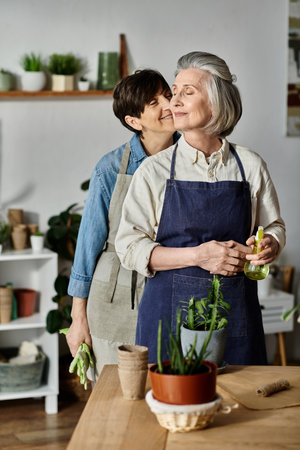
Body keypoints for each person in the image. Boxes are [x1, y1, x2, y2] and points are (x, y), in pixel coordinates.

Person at [115, 51, 286, 365]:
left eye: (187, 92)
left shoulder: (250, 165)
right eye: (174, 92)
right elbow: (128, 248)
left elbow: (273, 225)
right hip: (166, 320)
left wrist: (270, 244)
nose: (173, 101)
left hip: (235, 314)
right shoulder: (154, 171)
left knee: (243, 409)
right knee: (172, 409)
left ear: (217, 101)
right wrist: (197, 256)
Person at [66, 69, 179, 376]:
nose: (168, 105)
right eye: (154, 102)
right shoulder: (111, 168)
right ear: (134, 121)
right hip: (115, 296)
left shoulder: (193, 159)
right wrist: (78, 318)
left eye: (168, 96)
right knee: (115, 390)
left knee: (172, 385)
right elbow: (88, 246)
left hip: (176, 288)